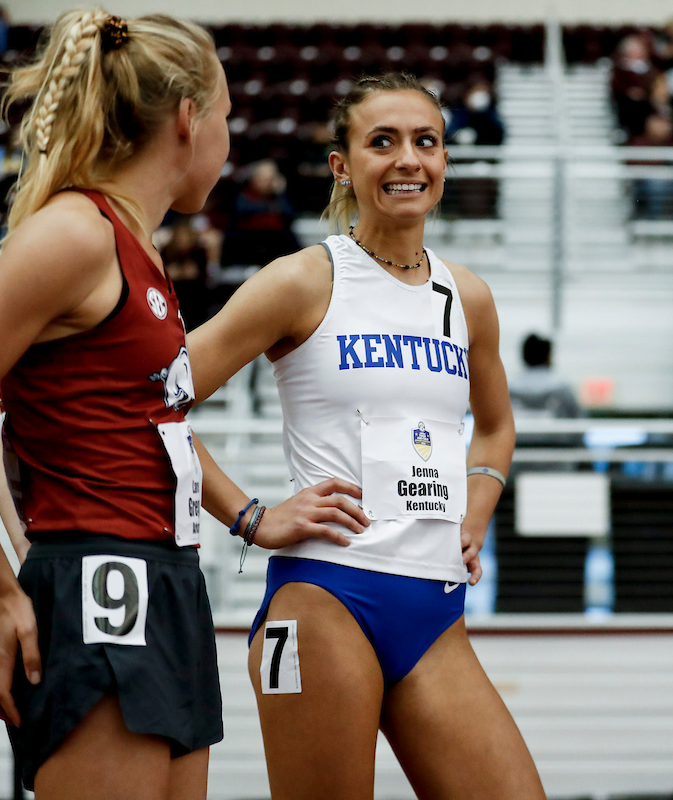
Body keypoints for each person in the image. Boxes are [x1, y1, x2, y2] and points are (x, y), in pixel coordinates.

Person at [183, 72, 546, 800]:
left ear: (445, 159)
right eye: (382, 142)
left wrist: (478, 506)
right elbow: (151, 398)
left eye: (426, 142)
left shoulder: (466, 297)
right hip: (324, 599)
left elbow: (497, 426)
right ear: (342, 166)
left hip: (436, 611)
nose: (409, 159)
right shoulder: (302, 281)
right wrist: (251, 518)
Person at [0, 10, 233, 798]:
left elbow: (17, 415)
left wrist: (249, 517)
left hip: (169, 579)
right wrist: (2, 590)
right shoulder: (76, 234)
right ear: (188, 119)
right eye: (227, 119)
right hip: (101, 581)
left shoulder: (139, 250)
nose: (230, 145)